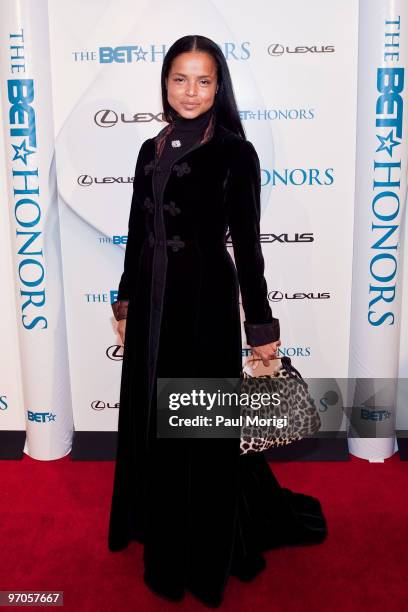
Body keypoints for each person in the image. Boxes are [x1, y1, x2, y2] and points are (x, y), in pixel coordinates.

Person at [108, 34, 327, 608]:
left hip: (202, 306)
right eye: (180, 78)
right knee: (151, 415)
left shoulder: (235, 152)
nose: (191, 91)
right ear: (164, 82)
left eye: (204, 80)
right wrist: (126, 302)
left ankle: (196, 550)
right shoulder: (149, 149)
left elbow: (249, 249)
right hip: (152, 303)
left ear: (219, 87)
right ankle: (154, 519)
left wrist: (262, 333)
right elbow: (137, 234)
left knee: (195, 426)